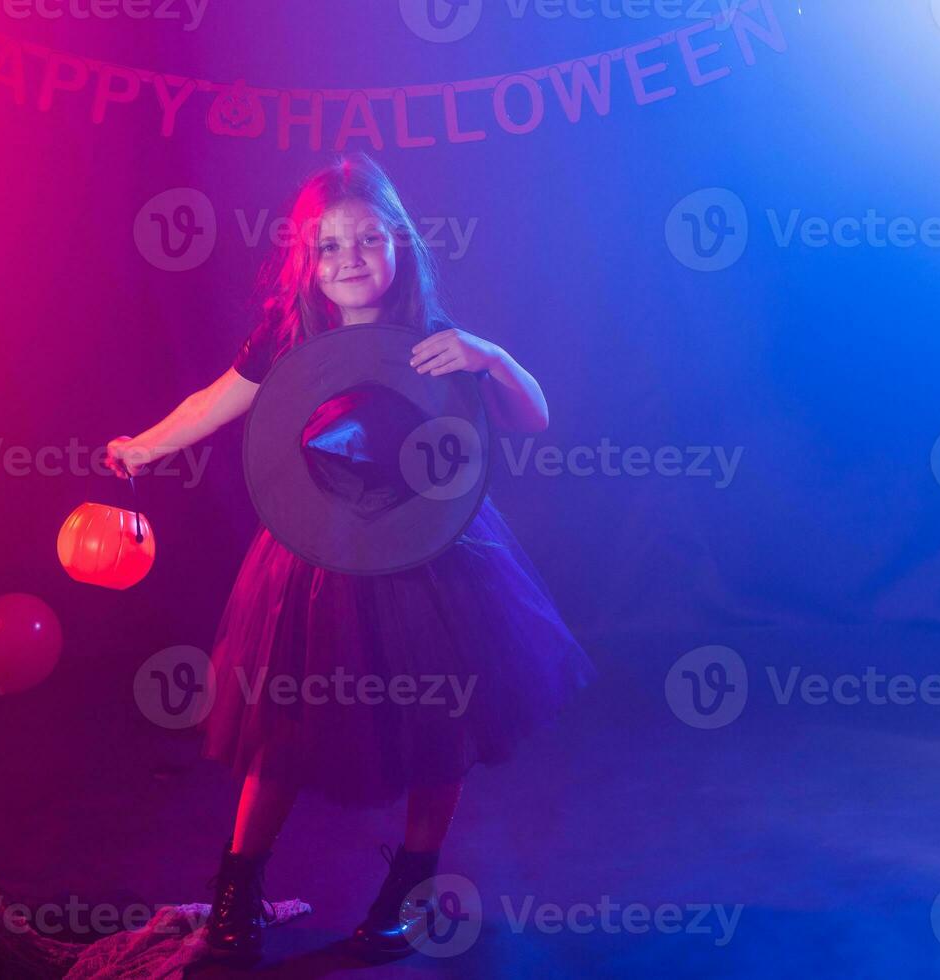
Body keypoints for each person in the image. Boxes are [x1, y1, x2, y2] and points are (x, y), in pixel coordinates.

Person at [104, 153, 593, 964]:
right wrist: (144, 447)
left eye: (367, 239)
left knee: (445, 721)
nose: (350, 260)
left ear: (399, 244)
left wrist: (490, 357)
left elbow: (531, 417)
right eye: (329, 247)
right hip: (317, 558)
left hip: (431, 558)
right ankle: (239, 886)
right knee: (284, 727)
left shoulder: (435, 339)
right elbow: (216, 403)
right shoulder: (291, 338)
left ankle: (411, 883)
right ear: (306, 261)